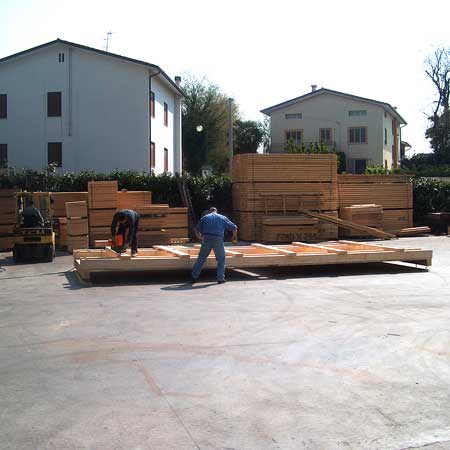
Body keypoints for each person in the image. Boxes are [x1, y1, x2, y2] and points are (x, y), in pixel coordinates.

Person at [191, 207, 238, 284]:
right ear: (216, 211)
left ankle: (194, 277)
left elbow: (196, 229)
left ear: (209, 211)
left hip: (206, 238)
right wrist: (234, 237)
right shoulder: (222, 217)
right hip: (218, 239)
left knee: (201, 258)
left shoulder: (204, 218)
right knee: (221, 259)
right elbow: (234, 227)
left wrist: (200, 239)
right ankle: (220, 278)